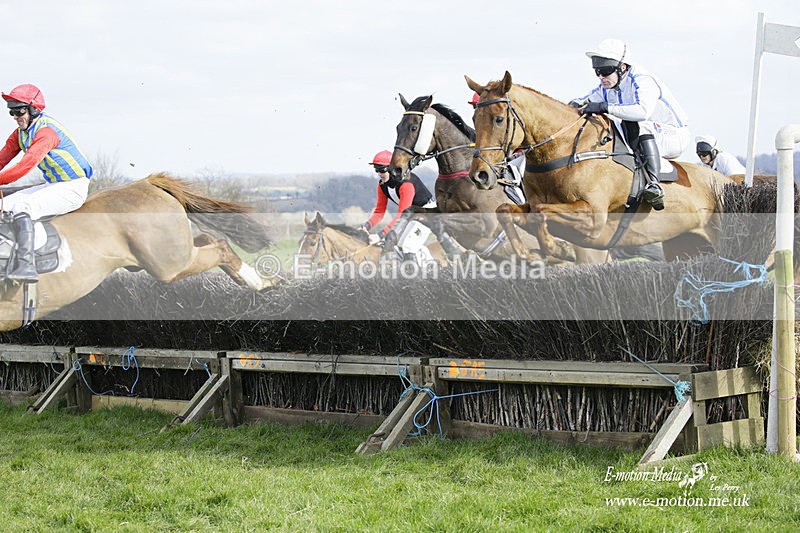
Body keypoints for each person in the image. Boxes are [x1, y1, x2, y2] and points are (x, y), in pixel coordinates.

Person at [570, 39, 690, 211]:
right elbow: (584, 100)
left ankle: (654, 186)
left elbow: (642, 112)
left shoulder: (643, 80)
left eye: (605, 71)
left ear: (623, 67)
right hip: (647, 134)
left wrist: (605, 106)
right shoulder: (609, 84)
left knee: (639, 124)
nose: (601, 77)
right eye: (597, 72)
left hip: (673, 135)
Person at [0, 84, 93, 282]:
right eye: (12, 112)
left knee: (22, 206)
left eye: (20, 111)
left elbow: (24, 166)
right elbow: (2, 159)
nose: (16, 116)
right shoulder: (20, 133)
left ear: (34, 109)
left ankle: (26, 265)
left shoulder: (47, 132)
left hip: (73, 187)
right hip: (53, 184)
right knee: (3, 205)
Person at [361, 150, 437, 258]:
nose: (379, 174)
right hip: (411, 214)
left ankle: (421, 273)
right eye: (376, 169)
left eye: (381, 170)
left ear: (391, 168)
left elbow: (402, 214)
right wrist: (366, 226)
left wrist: (380, 235)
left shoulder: (406, 184)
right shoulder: (382, 185)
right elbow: (379, 212)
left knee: (407, 246)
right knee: (398, 246)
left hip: (427, 213)